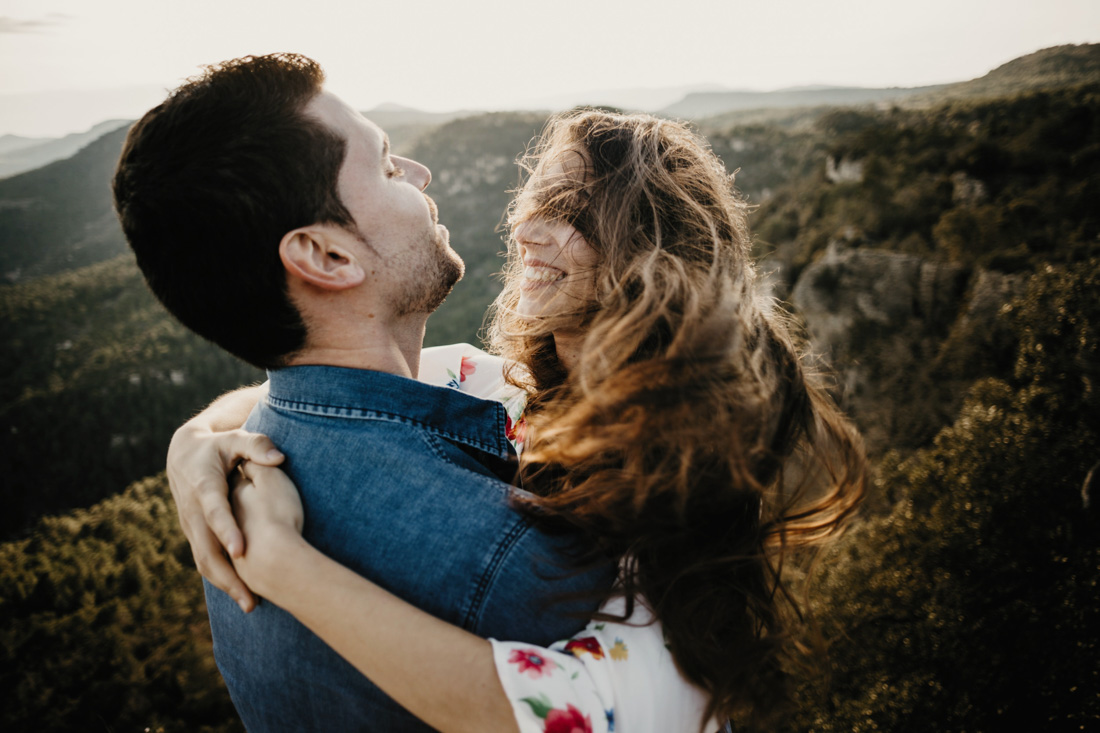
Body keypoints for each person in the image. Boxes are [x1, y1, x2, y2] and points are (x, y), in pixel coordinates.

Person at [171, 103, 868, 732]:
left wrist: (286, 567)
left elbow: (557, 709)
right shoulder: (518, 393)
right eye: (535, 200)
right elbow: (345, 390)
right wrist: (195, 439)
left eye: (568, 210)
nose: (524, 227)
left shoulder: (679, 487)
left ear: (650, 251)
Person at [111, 53, 615, 732]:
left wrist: (193, 432)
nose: (420, 173)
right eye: (384, 164)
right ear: (327, 256)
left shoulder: (239, 487)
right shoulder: (514, 558)